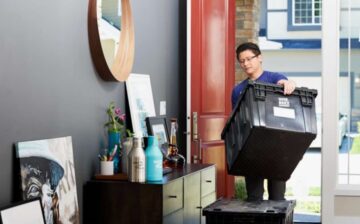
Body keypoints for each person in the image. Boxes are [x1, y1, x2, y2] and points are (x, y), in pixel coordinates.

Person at [232, 42, 296, 201]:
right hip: (251, 151)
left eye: (249, 58)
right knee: (254, 198)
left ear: (259, 57)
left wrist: (288, 84)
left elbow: (284, 83)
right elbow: (236, 121)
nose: (245, 63)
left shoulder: (273, 78)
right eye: (242, 61)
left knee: (277, 198)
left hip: (278, 149)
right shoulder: (238, 90)